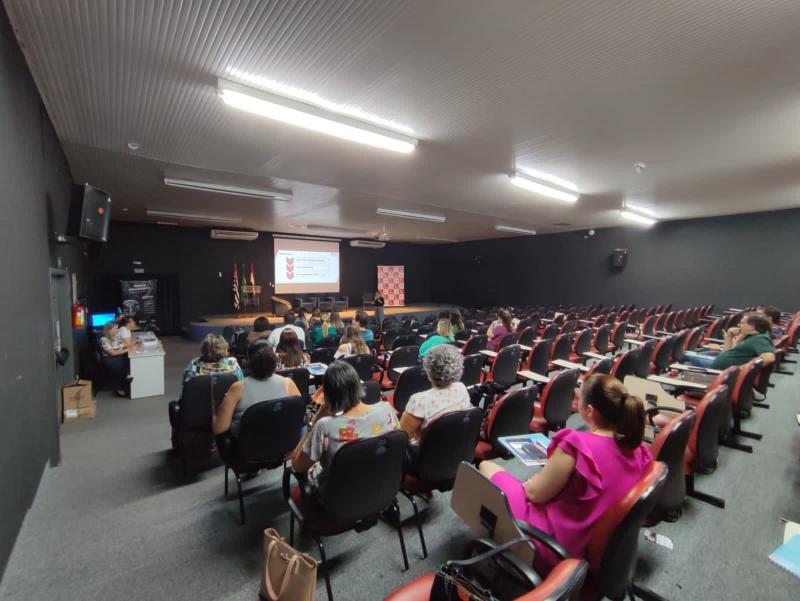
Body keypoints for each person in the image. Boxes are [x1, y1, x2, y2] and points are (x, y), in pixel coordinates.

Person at [478, 374, 652, 573]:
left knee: (486, 468)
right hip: (593, 543)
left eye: (578, 398)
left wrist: (529, 484)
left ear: (589, 411)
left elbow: (535, 494)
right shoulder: (638, 450)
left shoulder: (576, 443)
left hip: (554, 547)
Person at [289, 361, 399, 494]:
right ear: (358, 384)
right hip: (380, 485)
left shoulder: (324, 426)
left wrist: (315, 420)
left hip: (340, 499)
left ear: (328, 396)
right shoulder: (386, 410)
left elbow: (297, 465)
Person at [400, 345, 471, 468]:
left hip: (423, 459)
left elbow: (402, 438)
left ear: (428, 372)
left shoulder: (420, 400)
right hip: (453, 451)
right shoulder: (461, 388)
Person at [212, 341, 301, 436]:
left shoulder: (237, 388)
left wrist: (214, 412)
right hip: (285, 444)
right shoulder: (288, 383)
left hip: (249, 448)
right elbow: (300, 417)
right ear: (274, 360)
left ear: (248, 362)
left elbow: (219, 428)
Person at [683, 312, 775, 369]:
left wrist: (740, 369)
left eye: (742, 323)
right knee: (686, 363)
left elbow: (769, 358)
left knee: (684, 354)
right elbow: (727, 351)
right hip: (719, 365)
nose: (739, 325)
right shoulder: (749, 336)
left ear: (752, 326)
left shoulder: (760, 339)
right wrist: (730, 336)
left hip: (722, 372)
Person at [99, 322, 130, 397]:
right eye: (115, 329)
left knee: (127, 360)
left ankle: (126, 384)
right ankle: (120, 389)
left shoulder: (114, 337)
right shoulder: (104, 339)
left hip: (116, 357)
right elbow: (112, 353)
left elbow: (120, 346)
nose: (117, 330)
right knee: (124, 364)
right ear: (109, 330)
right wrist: (128, 349)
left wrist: (133, 344)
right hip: (111, 359)